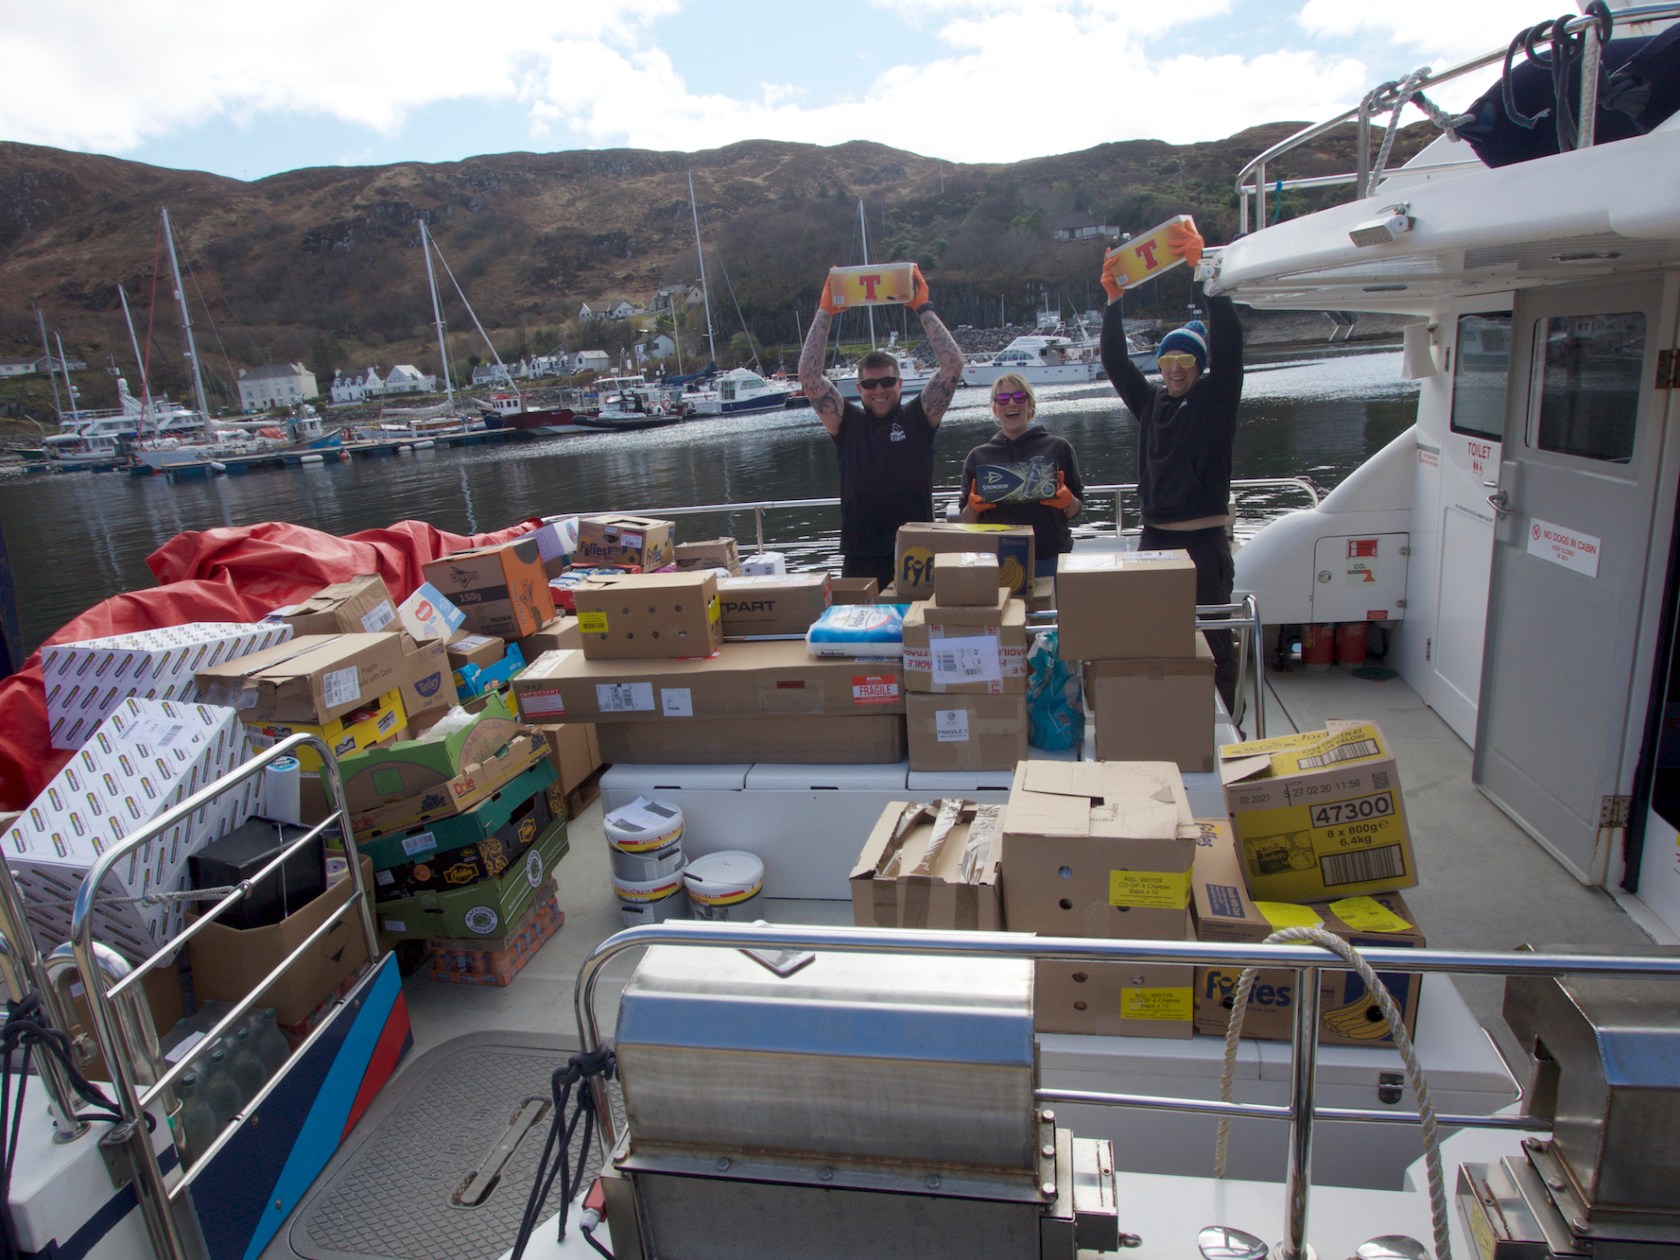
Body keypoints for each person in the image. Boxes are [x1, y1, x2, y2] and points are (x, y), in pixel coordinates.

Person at [1098, 221, 1244, 714]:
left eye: (1185, 358)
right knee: (1153, 637)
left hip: (1204, 543)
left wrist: (1202, 271)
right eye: (1167, 360)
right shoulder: (1151, 403)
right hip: (1154, 540)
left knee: (1216, 643)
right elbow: (1116, 362)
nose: (1176, 367)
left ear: (1199, 366)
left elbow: (1230, 342)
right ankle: (1165, 719)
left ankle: (1228, 732)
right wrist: (1114, 301)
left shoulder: (1216, 400)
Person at [798, 263, 966, 587]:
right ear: (858, 389)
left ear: (900, 384)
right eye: (870, 385)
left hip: (915, 554)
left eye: (887, 381)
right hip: (860, 557)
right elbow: (809, 376)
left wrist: (923, 307)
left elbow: (952, 364)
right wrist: (825, 310)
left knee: (916, 635)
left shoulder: (920, 417)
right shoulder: (845, 424)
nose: (879, 390)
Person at [960, 373, 1084, 579]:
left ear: (1030, 406)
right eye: (1002, 399)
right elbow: (967, 520)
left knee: (1053, 612)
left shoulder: (1059, 448)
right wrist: (973, 508)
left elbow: (1076, 510)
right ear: (995, 409)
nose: (1011, 402)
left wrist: (1067, 501)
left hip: (1050, 557)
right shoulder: (978, 456)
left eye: (1019, 397)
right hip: (995, 559)